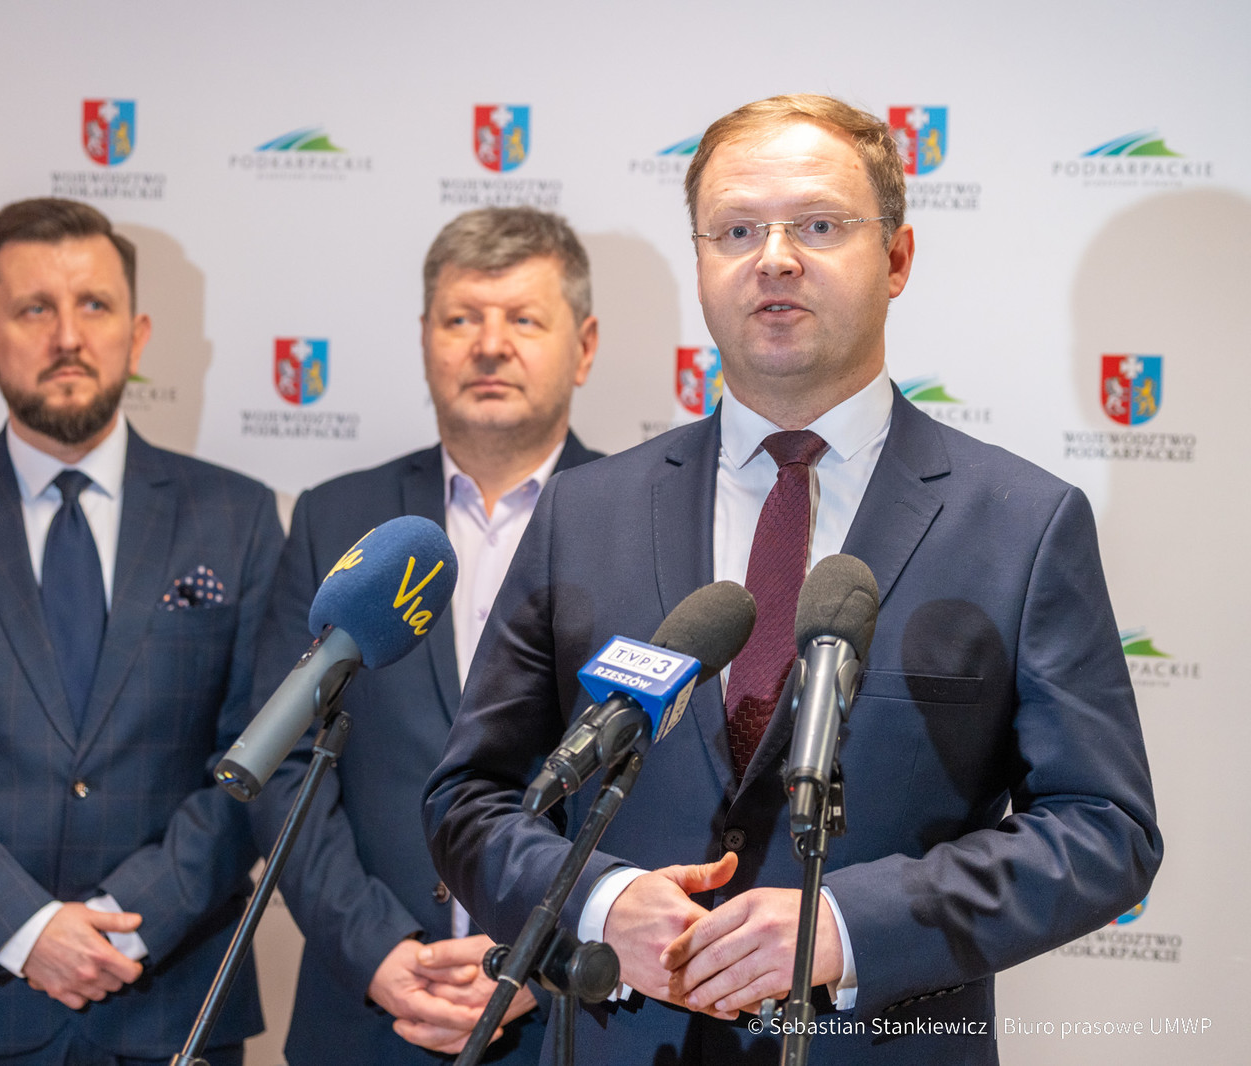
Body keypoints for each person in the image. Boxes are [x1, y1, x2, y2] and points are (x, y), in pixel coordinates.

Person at [423, 95, 1162, 1064]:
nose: (772, 258)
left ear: (896, 259)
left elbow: (1104, 831)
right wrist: (599, 901)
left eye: (817, 225)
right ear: (700, 264)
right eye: (736, 230)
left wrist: (849, 926)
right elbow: (469, 797)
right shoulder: (584, 512)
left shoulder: (1019, 522)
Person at [0, 198, 282, 1066]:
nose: (67, 336)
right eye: (34, 308)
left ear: (138, 336)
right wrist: (26, 927)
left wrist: (126, 922)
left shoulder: (237, 517)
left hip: (173, 998)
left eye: (94, 306)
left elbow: (260, 759)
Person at [249, 207, 604, 1064]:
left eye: (524, 320)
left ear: (585, 347)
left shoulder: (642, 518)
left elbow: (668, 780)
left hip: (570, 1022)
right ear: (424, 339)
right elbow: (284, 763)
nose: (490, 346)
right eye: (461, 319)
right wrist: (375, 951)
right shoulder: (336, 517)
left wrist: (543, 958)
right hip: (368, 1016)